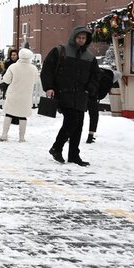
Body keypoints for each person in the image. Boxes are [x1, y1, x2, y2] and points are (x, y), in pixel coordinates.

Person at [40, 26, 100, 167]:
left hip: (81, 95)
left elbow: (96, 76)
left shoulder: (90, 58)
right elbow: (47, 69)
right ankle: (57, 147)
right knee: (72, 120)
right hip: (63, 93)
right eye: (79, 37)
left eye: (83, 38)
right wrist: (49, 87)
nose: (81, 40)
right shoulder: (60, 51)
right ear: (73, 37)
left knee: (78, 124)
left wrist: (89, 90)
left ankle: (73, 155)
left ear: (87, 40)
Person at [0, 48, 39, 142]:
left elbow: (6, 80)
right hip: (26, 96)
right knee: (23, 116)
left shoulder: (13, 67)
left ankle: (4, 135)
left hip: (13, 94)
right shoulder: (33, 68)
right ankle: (21, 138)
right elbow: (35, 80)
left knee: (9, 114)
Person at [86, 67, 120, 144]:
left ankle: (69, 135)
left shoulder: (102, 72)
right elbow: (101, 95)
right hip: (93, 97)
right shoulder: (108, 80)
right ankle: (90, 136)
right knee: (94, 116)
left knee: (77, 115)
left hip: (84, 92)